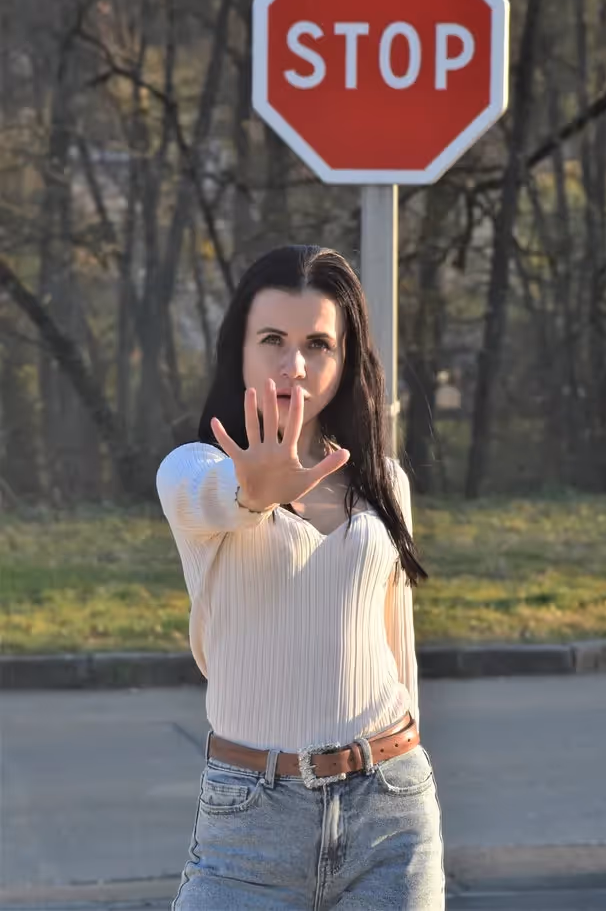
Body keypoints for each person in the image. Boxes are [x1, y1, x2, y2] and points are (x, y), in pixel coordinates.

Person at [156, 245, 446, 909]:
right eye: (273, 340)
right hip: (249, 822)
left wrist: (406, 775)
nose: (295, 365)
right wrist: (256, 491)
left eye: (318, 344)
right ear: (241, 350)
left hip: (390, 811)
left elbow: (399, 654)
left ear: (346, 360)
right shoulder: (192, 471)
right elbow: (216, 496)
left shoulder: (383, 484)